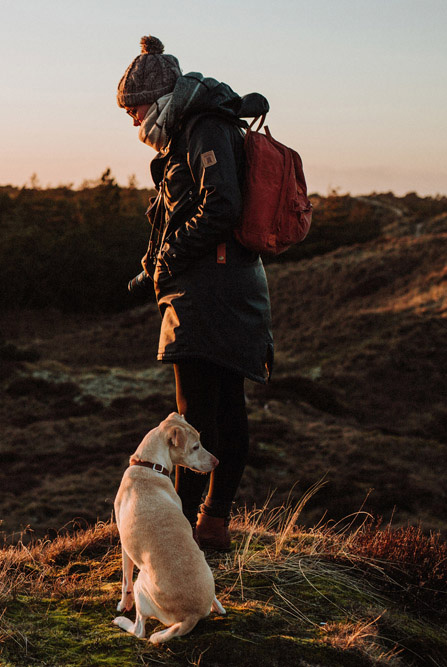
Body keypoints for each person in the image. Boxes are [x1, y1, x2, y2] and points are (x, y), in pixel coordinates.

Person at [117, 36, 274, 550]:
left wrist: (169, 258)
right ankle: (208, 524)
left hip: (213, 292)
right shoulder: (194, 128)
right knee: (220, 409)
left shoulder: (203, 126)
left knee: (194, 419)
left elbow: (221, 207)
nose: (133, 120)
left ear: (160, 98)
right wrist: (154, 265)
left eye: (135, 108)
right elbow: (185, 212)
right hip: (219, 287)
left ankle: (182, 528)